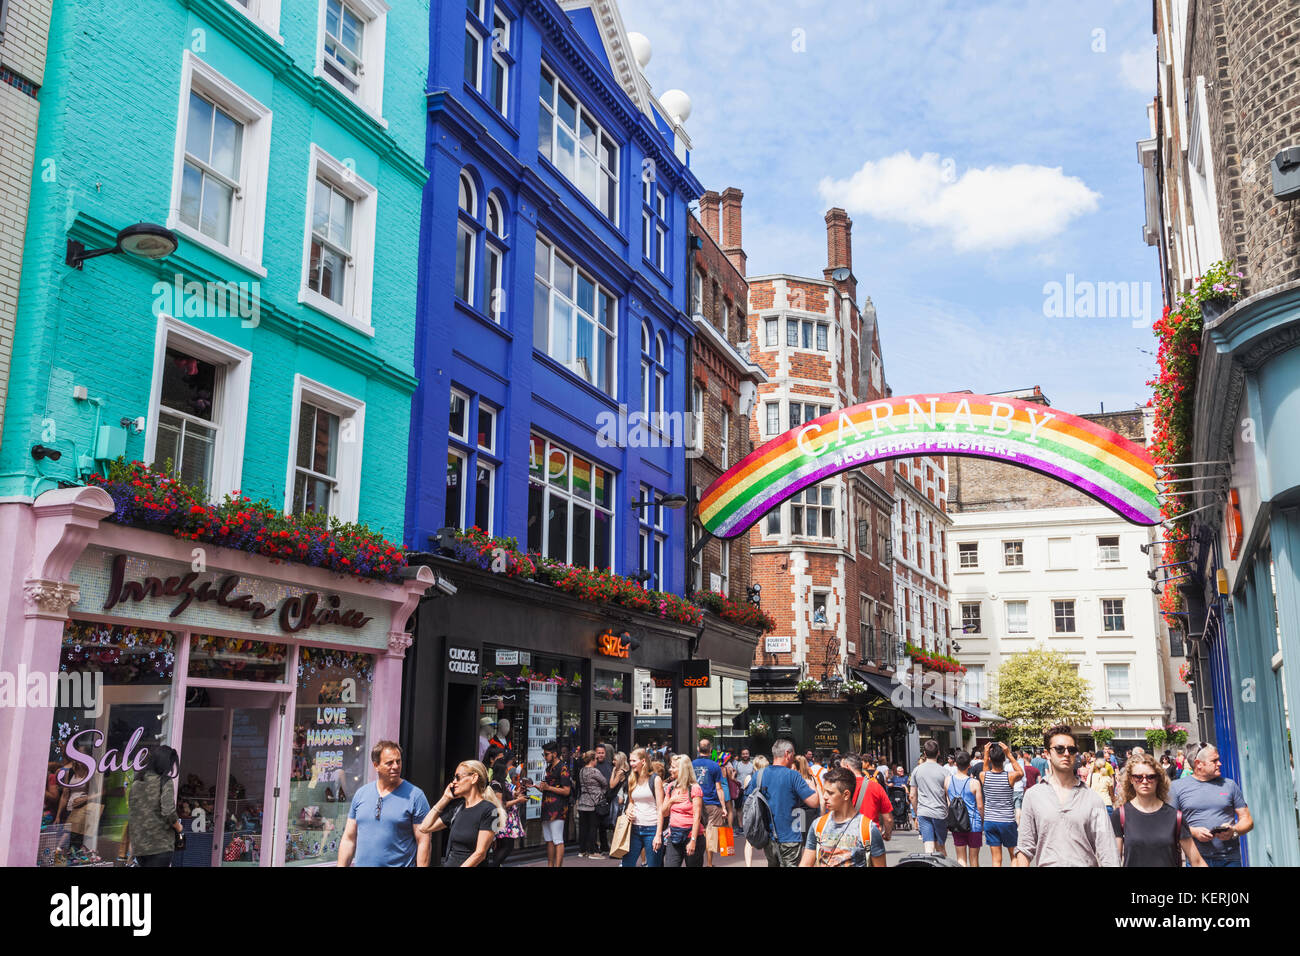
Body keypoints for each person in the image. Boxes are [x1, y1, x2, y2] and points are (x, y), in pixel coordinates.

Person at [1014, 726, 1118, 867]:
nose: (1066, 753)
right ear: (1047, 753)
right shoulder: (1033, 795)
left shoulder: (1092, 798)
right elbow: (1025, 848)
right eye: (1059, 749)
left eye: (1072, 749)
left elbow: (1107, 850)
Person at [339, 741, 432, 867]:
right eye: (389, 763)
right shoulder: (361, 794)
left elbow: (424, 841)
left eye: (398, 761)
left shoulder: (415, 796)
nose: (396, 766)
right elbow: (349, 839)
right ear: (376, 765)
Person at [1113, 753, 1207, 867]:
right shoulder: (1120, 815)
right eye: (1138, 777)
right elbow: (1113, 860)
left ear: (1158, 779)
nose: (1145, 781)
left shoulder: (1175, 816)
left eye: (1150, 777)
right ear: (1131, 779)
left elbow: (1196, 861)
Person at [1169, 744, 1252, 867]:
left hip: (1229, 859)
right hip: (1196, 859)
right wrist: (1193, 832)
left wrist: (1234, 830)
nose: (1219, 764)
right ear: (1199, 763)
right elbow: (1170, 822)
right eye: (1214, 761)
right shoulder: (1176, 787)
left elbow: (1247, 820)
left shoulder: (1230, 785)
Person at [744, 739, 820, 868]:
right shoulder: (793, 776)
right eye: (793, 755)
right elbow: (814, 802)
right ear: (787, 754)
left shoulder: (759, 775)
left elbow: (748, 802)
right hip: (790, 835)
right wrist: (812, 783)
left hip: (768, 836)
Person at [418, 760, 505, 867]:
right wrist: (445, 798)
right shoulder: (457, 808)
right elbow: (424, 827)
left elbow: (480, 853)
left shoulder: (491, 810)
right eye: (454, 778)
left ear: (474, 778)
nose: (454, 782)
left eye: (458, 777)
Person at [800, 767, 879, 867]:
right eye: (824, 791)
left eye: (830, 793)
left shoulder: (868, 829)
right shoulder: (818, 825)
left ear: (846, 795)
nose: (824, 796)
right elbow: (805, 864)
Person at [128, 744, 182, 868]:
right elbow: (168, 811)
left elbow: (133, 813)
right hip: (160, 845)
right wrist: (179, 827)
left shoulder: (137, 782)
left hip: (140, 845)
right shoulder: (164, 781)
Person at [622, 748, 664, 867]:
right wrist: (628, 809)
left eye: (634, 761)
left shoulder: (655, 779)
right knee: (627, 864)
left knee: (653, 865)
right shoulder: (632, 778)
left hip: (652, 829)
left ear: (643, 761)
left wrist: (658, 834)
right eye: (630, 760)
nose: (631, 764)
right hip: (634, 829)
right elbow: (631, 802)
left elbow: (660, 809)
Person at [691, 738, 729, 867]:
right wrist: (723, 807)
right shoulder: (715, 766)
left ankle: (696, 860)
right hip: (712, 804)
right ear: (710, 750)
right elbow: (719, 788)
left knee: (696, 831)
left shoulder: (692, 764)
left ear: (698, 749)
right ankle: (709, 863)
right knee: (710, 835)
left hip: (695, 802)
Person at [661, 754, 703, 867]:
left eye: (673, 767)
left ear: (683, 769)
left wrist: (693, 840)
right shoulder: (671, 787)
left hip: (691, 835)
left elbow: (697, 816)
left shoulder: (695, 788)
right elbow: (664, 812)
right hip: (674, 835)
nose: (670, 770)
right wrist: (671, 801)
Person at [535, 740, 571, 867]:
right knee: (549, 839)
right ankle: (550, 865)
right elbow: (548, 787)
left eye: (546, 754)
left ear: (554, 754)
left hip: (558, 808)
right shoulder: (549, 767)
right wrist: (536, 786)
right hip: (547, 806)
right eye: (544, 754)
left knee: (557, 839)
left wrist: (548, 788)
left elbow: (567, 791)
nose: (545, 757)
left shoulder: (563, 767)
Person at [910, 739, 950, 855]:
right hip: (940, 813)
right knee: (941, 848)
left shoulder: (917, 770)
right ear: (938, 753)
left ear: (925, 753)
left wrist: (917, 812)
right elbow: (949, 796)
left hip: (924, 812)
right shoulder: (944, 772)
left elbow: (912, 795)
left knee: (928, 848)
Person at [947, 751, 983, 867]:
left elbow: (948, 802)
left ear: (956, 764)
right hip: (974, 823)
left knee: (960, 858)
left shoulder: (948, 781)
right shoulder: (974, 783)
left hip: (957, 823)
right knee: (974, 859)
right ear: (969, 765)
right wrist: (983, 820)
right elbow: (980, 806)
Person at [489, 756, 526, 867]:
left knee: (501, 847)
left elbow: (511, 792)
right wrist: (518, 800)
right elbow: (500, 805)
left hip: (506, 820)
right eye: (506, 769)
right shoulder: (496, 784)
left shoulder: (502, 782)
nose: (507, 771)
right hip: (501, 819)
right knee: (507, 847)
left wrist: (518, 792)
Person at [575, 750, 607, 859]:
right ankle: (592, 852)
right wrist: (600, 793)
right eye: (596, 759)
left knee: (583, 828)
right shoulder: (594, 771)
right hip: (593, 803)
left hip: (582, 802)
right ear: (593, 760)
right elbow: (605, 783)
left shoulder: (582, 771)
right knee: (593, 827)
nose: (597, 761)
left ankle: (582, 850)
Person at [743, 755, 769, 867]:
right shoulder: (767, 778)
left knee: (749, 839)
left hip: (751, 812)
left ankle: (748, 865)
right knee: (767, 838)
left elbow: (746, 795)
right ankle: (770, 862)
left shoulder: (749, 778)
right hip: (763, 810)